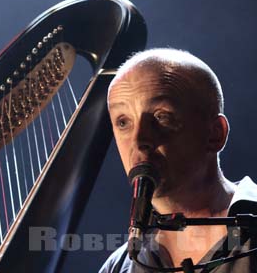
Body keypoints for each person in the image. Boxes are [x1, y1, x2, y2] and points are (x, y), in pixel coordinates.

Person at [99, 48, 257, 272]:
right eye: (123, 122)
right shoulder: (119, 266)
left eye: (161, 116)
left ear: (215, 134)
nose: (138, 139)